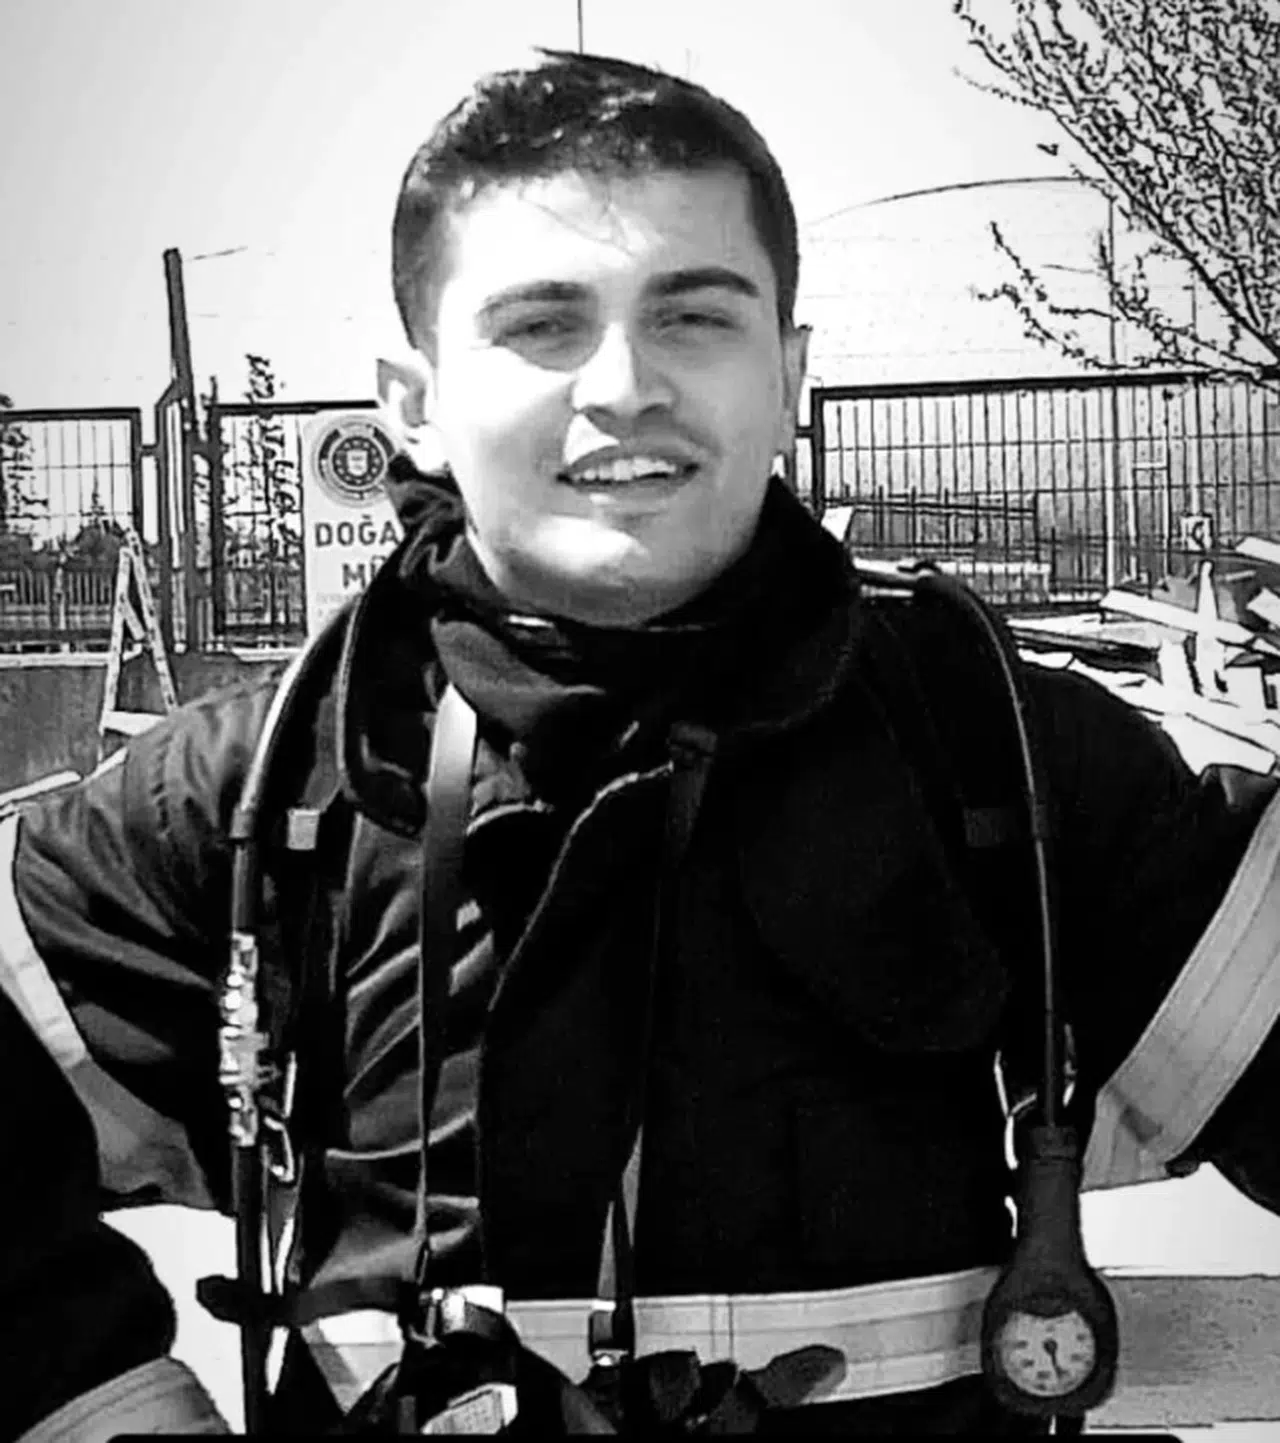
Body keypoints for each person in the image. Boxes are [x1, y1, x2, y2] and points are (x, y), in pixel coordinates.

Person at [3, 48, 1280, 1439]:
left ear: (790, 373)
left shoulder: (1005, 754)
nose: (622, 385)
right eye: (543, 325)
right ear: (414, 402)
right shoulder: (254, 790)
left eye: (695, 316)